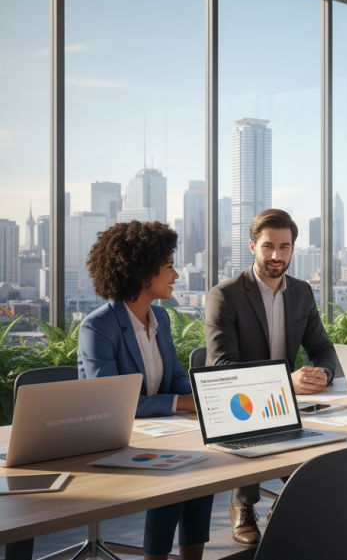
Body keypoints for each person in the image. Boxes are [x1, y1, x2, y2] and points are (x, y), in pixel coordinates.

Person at [77, 221, 213, 560]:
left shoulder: (161, 319)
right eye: (168, 267)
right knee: (179, 468)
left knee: (206, 462)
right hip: (112, 437)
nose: (176, 275)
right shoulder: (99, 327)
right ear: (141, 271)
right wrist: (181, 402)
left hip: (155, 431)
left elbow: (176, 377)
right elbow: (112, 405)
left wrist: (195, 395)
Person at [204, 208, 339, 546]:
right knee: (254, 425)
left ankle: (288, 503)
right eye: (268, 246)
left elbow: (323, 348)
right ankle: (243, 504)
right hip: (240, 404)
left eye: (284, 247)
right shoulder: (225, 295)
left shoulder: (302, 292)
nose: (276, 255)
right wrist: (284, 383)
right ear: (252, 247)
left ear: (294, 248)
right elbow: (222, 368)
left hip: (287, 403)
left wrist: (322, 372)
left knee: (326, 465)